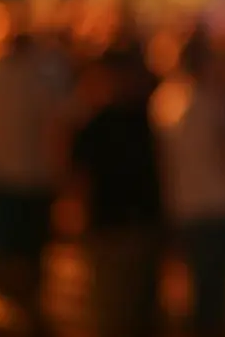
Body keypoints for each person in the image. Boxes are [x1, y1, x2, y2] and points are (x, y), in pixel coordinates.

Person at [0, 30, 75, 334]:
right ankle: (28, 308)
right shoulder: (44, 78)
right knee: (32, 250)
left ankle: (21, 309)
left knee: (13, 250)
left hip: (7, 177)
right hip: (31, 178)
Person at [151, 33, 225, 335]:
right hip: (217, 205)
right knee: (214, 290)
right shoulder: (209, 101)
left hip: (185, 203)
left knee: (198, 284)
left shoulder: (163, 99)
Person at [71, 48, 164, 337]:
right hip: (110, 224)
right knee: (114, 308)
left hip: (140, 223)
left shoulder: (145, 119)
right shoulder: (97, 123)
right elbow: (78, 176)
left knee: (138, 308)